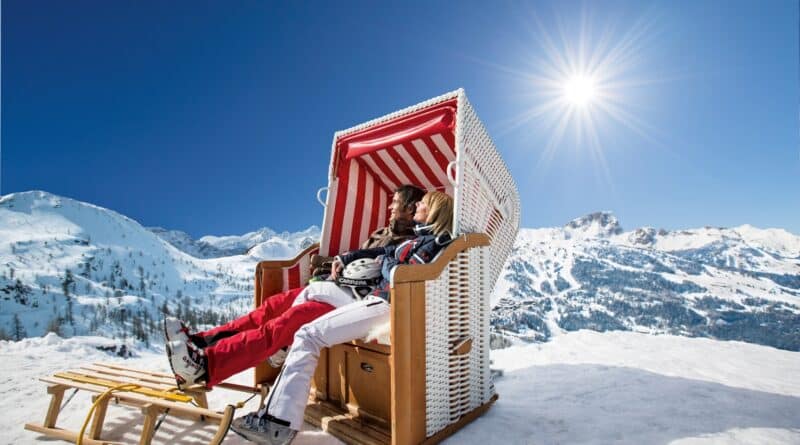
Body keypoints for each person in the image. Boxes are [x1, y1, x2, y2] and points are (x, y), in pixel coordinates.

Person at [230, 191, 454, 445]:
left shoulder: (433, 244)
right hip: (374, 298)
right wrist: (346, 258)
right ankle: (284, 346)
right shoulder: (418, 239)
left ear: (434, 212)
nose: (418, 206)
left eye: (423, 204)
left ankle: (278, 423)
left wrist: (385, 263)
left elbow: (402, 276)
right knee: (312, 290)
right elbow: (385, 250)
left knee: (308, 334)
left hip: (388, 306)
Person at [164, 185, 425, 389]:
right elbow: (355, 258)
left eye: (395, 202)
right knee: (270, 308)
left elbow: (380, 271)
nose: (390, 206)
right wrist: (329, 263)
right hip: (332, 286)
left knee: (284, 324)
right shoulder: (382, 233)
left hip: (350, 300)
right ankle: (200, 342)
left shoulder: (409, 242)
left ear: (411, 208)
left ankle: (206, 366)